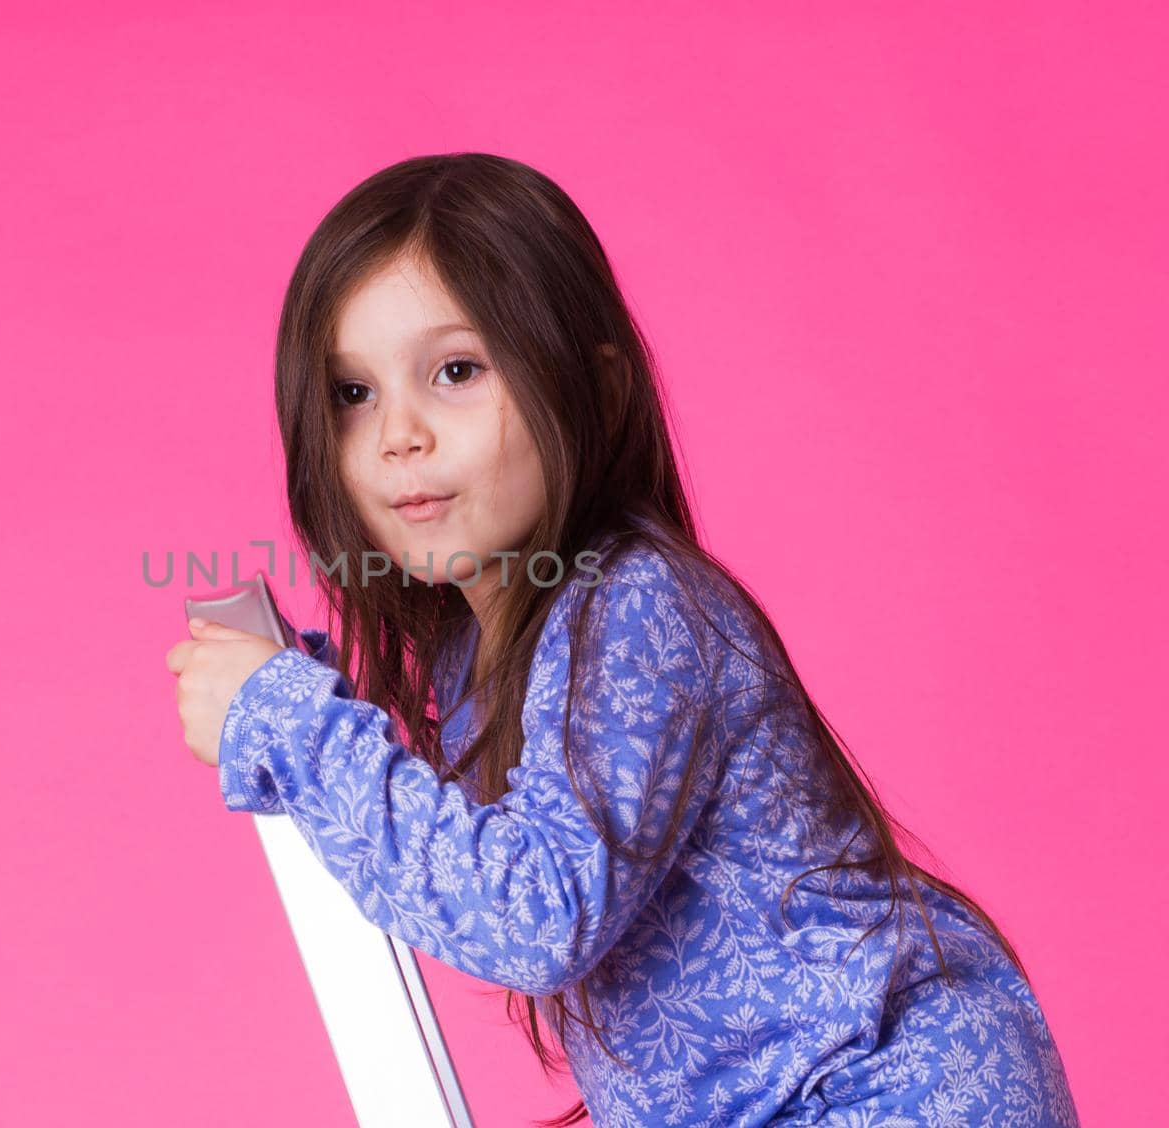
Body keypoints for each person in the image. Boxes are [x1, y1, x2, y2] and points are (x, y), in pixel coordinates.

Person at [164, 153, 1079, 1126]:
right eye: (353, 394)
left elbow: (536, 918)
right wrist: (306, 723)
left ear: (591, 392)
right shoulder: (478, 654)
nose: (399, 435)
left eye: (456, 371)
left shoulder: (632, 606)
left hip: (886, 1091)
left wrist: (294, 728)